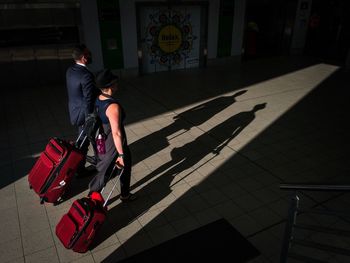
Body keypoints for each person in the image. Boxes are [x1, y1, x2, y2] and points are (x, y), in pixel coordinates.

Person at [88, 69, 136, 202]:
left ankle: (124, 194)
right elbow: (116, 132)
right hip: (113, 143)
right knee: (111, 167)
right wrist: (121, 155)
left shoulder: (98, 98)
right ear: (110, 86)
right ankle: (93, 193)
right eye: (115, 81)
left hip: (100, 139)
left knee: (104, 163)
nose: (117, 83)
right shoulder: (112, 106)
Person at [66, 44, 99, 175]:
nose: (90, 55)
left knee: (83, 141)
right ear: (84, 57)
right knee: (90, 139)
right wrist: (89, 118)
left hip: (74, 111)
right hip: (85, 115)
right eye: (88, 53)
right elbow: (88, 100)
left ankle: (81, 167)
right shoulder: (86, 75)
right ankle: (87, 167)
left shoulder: (70, 70)